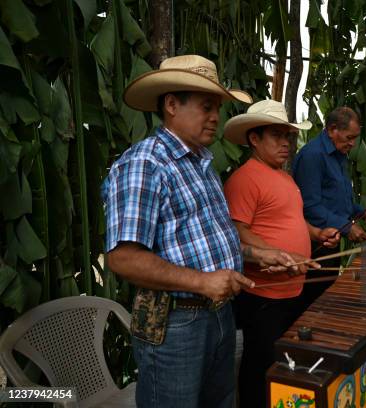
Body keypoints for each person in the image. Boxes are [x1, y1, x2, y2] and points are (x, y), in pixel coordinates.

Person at [102, 55, 296, 408]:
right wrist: (202, 282)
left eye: (217, 108)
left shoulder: (203, 164)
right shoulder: (145, 164)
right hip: (175, 323)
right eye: (207, 107)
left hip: (218, 314)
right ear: (171, 104)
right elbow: (123, 258)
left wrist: (256, 254)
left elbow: (208, 238)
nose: (214, 118)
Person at [223, 100, 340, 408]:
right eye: (276, 135)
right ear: (254, 138)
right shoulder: (244, 179)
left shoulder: (285, 177)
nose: (286, 143)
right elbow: (237, 231)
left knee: (284, 364)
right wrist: (278, 254)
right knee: (260, 366)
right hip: (264, 295)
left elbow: (292, 218)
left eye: (287, 136)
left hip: (293, 289)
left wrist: (316, 234)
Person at [292, 107, 366, 306]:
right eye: (349, 137)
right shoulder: (312, 156)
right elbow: (309, 206)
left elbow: (340, 199)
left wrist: (363, 212)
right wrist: (347, 226)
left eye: (355, 138)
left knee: (326, 298)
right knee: (313, 303)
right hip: (316, 243)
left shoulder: (339, 154)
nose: (353, 143)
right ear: (333, 129)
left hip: (332, 240)